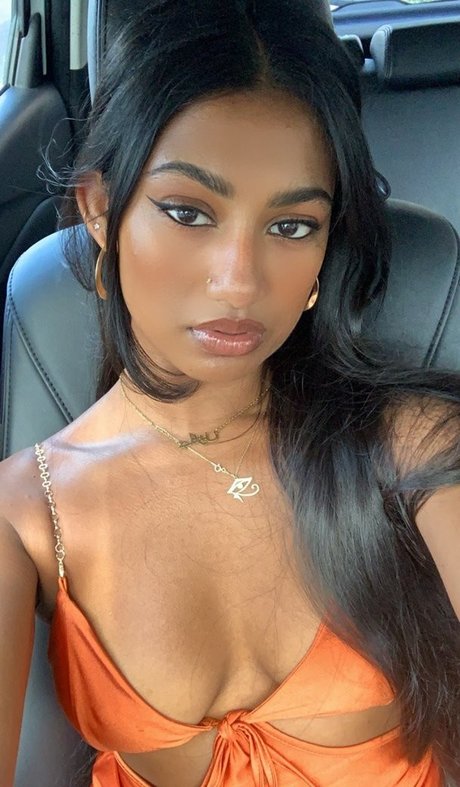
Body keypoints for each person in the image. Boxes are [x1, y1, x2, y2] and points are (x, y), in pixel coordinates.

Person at [1, 1, 459, 785]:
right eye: (188, 212)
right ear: (101, 211)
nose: (239, 281)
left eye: (292, 226)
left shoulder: (413, 448)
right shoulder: (26, 516)